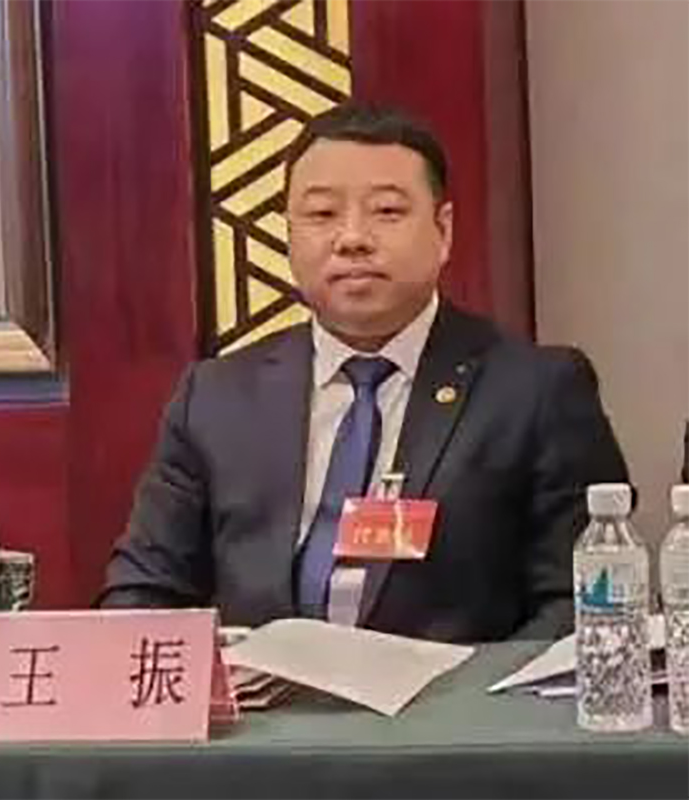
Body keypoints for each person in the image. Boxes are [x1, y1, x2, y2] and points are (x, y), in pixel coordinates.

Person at [98, 103, 627, 642]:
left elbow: (579, 603)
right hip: (261, 693)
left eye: (387, 212)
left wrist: (476, 690)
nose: (352, 238)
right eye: (322, 214)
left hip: (456, 695)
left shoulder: (535, 390)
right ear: (288, 235)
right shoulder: (216, 397)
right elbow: (145, 591)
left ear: (443, 230)